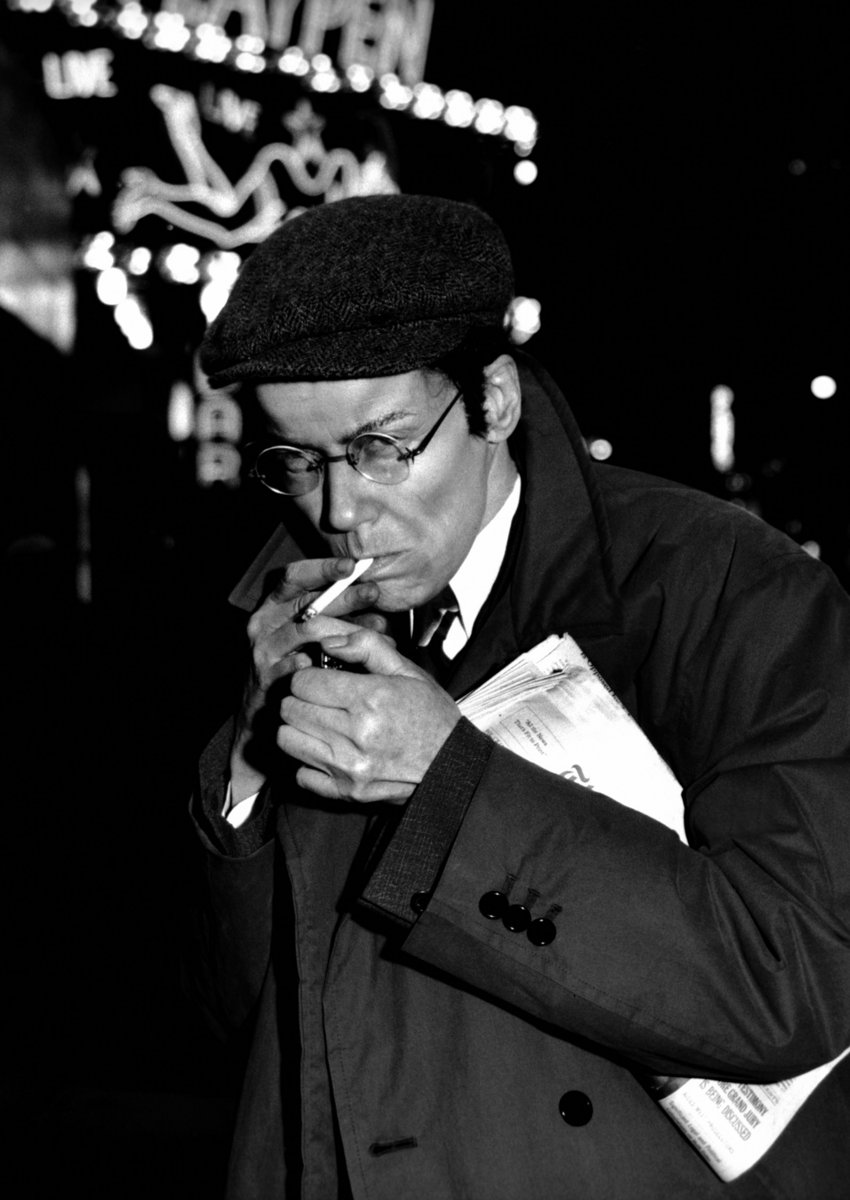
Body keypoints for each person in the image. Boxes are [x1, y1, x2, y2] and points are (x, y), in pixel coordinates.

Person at [188, 193, 850, 1200]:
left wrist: (450, 786)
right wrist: (242, 770)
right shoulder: (281, 621)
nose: (339, 510)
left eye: (379, 448)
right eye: (298, 462)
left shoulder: (725, 589)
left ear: (493, 402)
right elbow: (237, 1022)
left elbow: (796, 977)